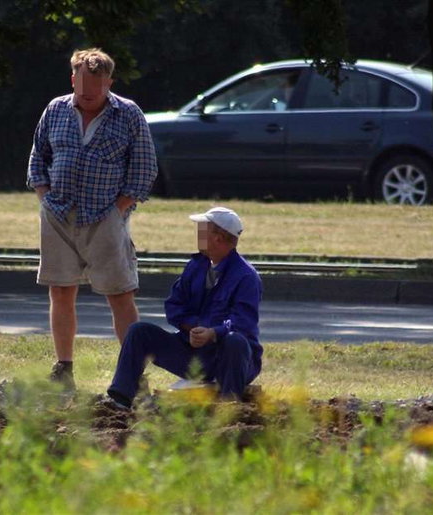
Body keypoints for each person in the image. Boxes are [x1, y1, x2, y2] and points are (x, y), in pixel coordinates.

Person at [27, 48, 158, 390]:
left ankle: (135, 374)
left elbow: (144, 169)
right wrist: (45, 199)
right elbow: (37, 159)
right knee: (61, 290)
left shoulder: (128, 114)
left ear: (109, 83)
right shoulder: (55, 109)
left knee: (120, 294)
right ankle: (63, 368)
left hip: (105, 216)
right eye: (82, 86)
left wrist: (118, 209)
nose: (88, 94)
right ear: (73, 79)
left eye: (96, 87)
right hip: (58, 213)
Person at [100, 207, 263, 411]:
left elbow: (243, 323)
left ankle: (228, 405)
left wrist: (213, 333)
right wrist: (192, 328)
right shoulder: (195, 266)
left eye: (203, 230)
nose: (197, 233)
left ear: (218, 238)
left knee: (235, 341)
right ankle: (121, 399)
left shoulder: (246, 277)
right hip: (194, 352)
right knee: (138, 332)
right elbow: (174, 306)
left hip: (229, 359)